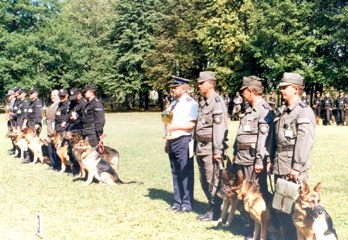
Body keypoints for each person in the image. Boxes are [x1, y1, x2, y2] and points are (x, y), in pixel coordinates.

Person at [273, 72, 316, 240]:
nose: (282, 90)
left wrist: (297, 166)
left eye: (285, 87)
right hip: (280, 164)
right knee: (281, 207)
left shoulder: (304, 112)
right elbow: (275, 139)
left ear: (296, 89)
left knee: (296, 209)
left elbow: (305, 141)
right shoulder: (282, 111)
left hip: (293, 167)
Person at [194, 71, 229, 221]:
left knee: (212, 180)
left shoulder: (217, 102)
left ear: (211, 84)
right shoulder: (203, 103)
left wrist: (218, 150)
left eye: (202, 83)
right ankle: (211, 207)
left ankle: (215, 211)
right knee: (204, 179)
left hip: (211, 148)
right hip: (201, 147)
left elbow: (219, 129)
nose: (199, 85)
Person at [232, 76, 275, 195]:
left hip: (252, 160)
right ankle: (245, 214)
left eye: (243, 91)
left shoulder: (264, 111)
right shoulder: (248, 110)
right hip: (242, 158)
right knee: (244, 190)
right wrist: (235, 152)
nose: (241, 94)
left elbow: (264, 139)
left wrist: (260, 160)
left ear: (251, 92)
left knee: (255, 193)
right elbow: (240, 133)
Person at [164, 76, 198, 213]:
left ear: (184, 88)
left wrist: (174, 127)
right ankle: (177, 201)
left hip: (183, 139)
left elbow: (191, 124)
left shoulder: (191, 103)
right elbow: (166, 122)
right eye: (172, 87)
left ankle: (187, 203)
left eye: (175, 87)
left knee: (185, 172)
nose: (173, 90)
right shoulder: (172, 104)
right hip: (172, 140)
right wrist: (167, 140)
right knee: (175, 172)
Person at [81, 84, 105, 149]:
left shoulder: (96, 104)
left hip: (92, 132)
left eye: (86, 92)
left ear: (92, 92)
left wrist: (99, 133)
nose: (84, 93)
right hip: (85, 131)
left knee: (93, 154)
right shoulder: (87, 103)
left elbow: (100, 120)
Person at [45, 89, 60, 170]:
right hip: (49, 129)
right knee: (50, 148)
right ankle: (53, 164)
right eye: (51, 95)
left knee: (55, 148)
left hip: (54, 130)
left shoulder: (59, 105)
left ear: (58, 96)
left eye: (54, 95)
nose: (52, 97)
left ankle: (57, 165)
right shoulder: (51, 105)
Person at [5, 89, 17, 155]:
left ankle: (16, 149)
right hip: (11, 121)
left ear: (13, 95)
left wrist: (12, 115)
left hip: (15, 121)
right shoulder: (10, 103)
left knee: (14, 135)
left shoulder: (16, 102)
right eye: (8, 95)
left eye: (9, 95)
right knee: (11, 135)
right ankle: (14, 148)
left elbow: (17, 112)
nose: (8, 97)